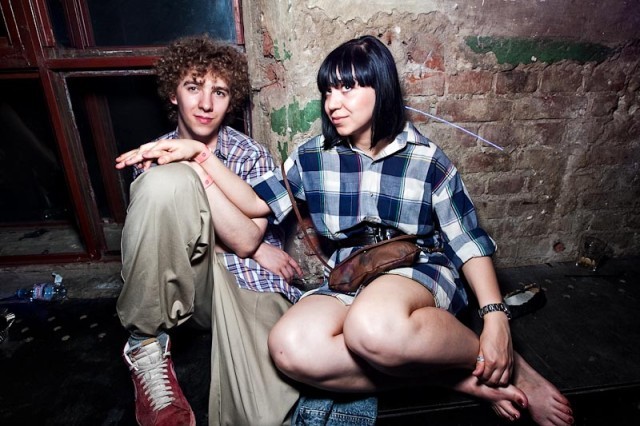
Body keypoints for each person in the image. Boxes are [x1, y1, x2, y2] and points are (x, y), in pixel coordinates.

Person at [126, 35, 574, 425]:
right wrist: (201, 157)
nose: (332, 102)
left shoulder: (426, 158)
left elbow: (468, 241)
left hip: (415, 268)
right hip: (350, 275)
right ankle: (457, 377)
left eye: (347, 88)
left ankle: (506, 363)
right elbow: (256, 202)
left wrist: (495, 317)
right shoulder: (312, 156)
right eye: (327, 90)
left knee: (371, 327)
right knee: (289, 348)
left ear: (381, 88)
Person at [114, 35, 302, 426]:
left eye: (219, 92)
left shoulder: (251, 154)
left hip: (250, 282)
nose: (205, 104)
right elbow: (166, 245)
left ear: (230, 101)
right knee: (164, 183)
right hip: (186, 290)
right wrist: (249, 244)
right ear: (173, 94)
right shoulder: (153, 157)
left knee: (262, 416)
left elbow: (246, 239)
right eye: (193, 87)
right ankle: (145, 346)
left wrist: (197, 165)